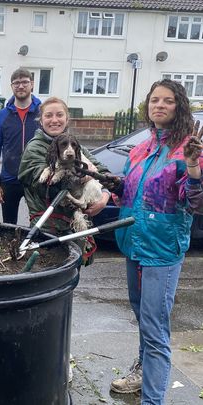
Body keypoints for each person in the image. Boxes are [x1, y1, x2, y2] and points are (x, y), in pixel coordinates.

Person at [109, 79, 203, 403]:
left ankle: (153, 400)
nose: (159, 105)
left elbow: (195, 203)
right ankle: (141, 370)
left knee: (155, 327)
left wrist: (192, 167)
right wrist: (107, 192)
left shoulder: (187, 149)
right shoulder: (140, 148)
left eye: (167, 101)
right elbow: (131, 191)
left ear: (179, 106)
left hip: (162, 250)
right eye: (154, 100)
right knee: (142, 315)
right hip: (133, 242)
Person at [18, 96, 111, 257]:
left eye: (59, 115)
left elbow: (103, 171)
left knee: (73, 274)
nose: (54, 120)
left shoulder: (73, 144)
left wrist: (104, 197)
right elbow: (47, 185)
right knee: (49, 276)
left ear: (67, 119)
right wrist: (86, 176)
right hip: (48, 227)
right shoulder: (34, 148)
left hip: (75, 227)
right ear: (41, 120)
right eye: (48, 115)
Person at [0, 67, 41, 224]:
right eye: (16, 83)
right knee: (9, 225)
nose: (20, 86)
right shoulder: (1, 116)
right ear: (11, 86)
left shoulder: (42, 113)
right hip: (9, 179)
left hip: (36, 178)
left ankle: (34, 248)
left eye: (25, 82)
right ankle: (12, 249)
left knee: (40, 223)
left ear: (32, 84)